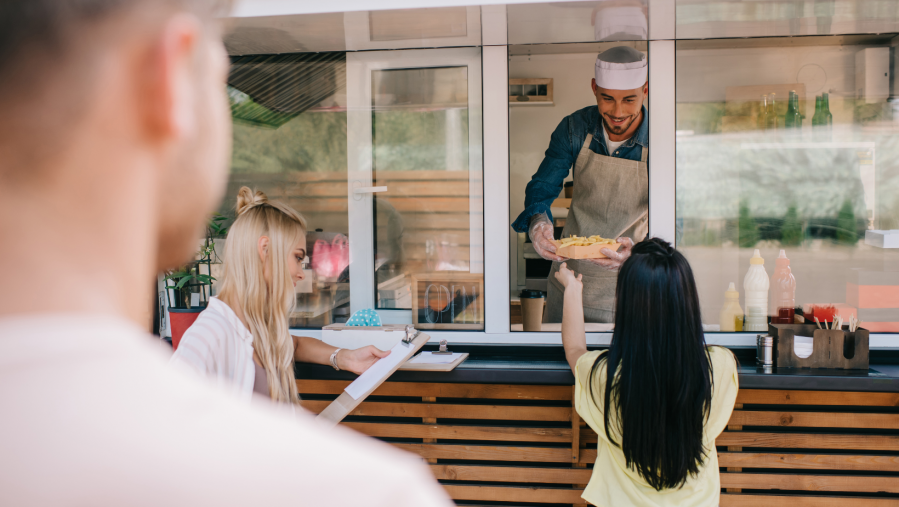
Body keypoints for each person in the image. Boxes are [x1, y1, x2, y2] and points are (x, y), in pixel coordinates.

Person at [0, 1, 453, 506]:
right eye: (221, 77)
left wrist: (342, 355)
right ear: (167, 76)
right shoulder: (370, 492)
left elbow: (282, 342)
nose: (302, 269)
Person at [555, 239, 738, 506]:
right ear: (687, 300)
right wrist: (640, 269)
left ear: (627, 306)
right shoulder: (719, 368)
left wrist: (572, 288)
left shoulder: (607, 377)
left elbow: (574, 348)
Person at [172, 187, 390, 404]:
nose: (300, 273)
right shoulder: (209, 335)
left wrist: (345, 357)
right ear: (265, 249)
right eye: (297, 258)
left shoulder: (255, 325)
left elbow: (293, 345)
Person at [512, 45, 650, 323]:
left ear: (645, 90)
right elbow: (542, 187)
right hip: (571, 277)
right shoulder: (575, 128)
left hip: (633, 278)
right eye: (607, 98)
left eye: (629, 100)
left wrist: (641, 254)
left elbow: (676, 213)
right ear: (594, 88)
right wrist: (538, 223)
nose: (618, 112)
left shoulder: (661, 135)